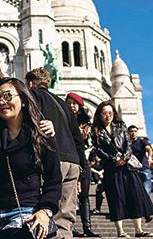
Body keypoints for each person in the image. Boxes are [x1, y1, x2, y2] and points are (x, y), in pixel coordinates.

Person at [0, 78, 61, 239]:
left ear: (23, 99)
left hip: (27, 212)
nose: (2, 102)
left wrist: (45, 210)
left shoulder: (41, 134)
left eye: (7, 96)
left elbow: (54, 178)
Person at [26, 68, 95, 239]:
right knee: (65, 217)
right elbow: (78, 139)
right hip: (72, 163)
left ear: (29, 83)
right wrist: (82, 168)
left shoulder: (33, 97)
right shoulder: (64, 105)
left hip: (51, 160)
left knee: (45, 210)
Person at [91, 100, 153, 238]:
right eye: (104, 113)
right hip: (111, 168)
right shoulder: (96, 130)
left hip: (127, 167)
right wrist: (113, 159)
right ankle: (120, 231)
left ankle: (138, 230)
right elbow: (98, 150)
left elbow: (128, 145)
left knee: (135, 196)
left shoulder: (120, 125)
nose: (108, 116)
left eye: (110, 113)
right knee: (116, 198)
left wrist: (124, 159)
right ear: (100, 115)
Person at [65, 92, 99, 237]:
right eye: (69, 103)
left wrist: (86, 137)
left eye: (74, 103)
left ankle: (87, 228)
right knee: (69, 196)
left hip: (83, 161)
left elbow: (91, 144)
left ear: (79, 106)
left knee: (84, 196)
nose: (72, 106)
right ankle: (69, 227)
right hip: (69, 159)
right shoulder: (63, 119)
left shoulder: (87, 124)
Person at [127, 125, 153, 195]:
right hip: (132, 169)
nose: (134, 133)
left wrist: (150, 157)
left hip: (143, 167)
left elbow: (149, 149)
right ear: (128, 133)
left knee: (146, 190)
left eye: (135, 131)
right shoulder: (126, 144)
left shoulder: (143, 141)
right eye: (131, 131)